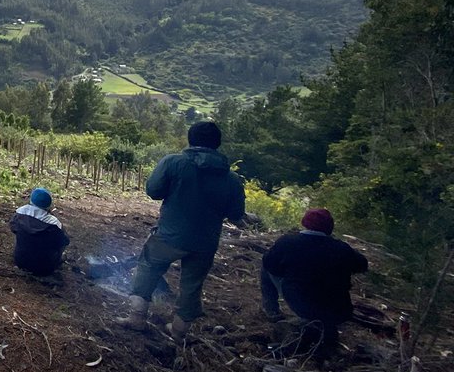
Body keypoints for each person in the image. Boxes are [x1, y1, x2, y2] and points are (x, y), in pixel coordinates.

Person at [120, 121, 245, 340]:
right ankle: (178, 331)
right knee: (192, 285)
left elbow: (153, 190)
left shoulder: (174, 163)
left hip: (169, 235)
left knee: (148, 267)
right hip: (205, 243)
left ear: (190, 139)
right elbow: (236, 213)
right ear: (217, 143)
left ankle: (137, 318)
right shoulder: (232, 179)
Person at [262, 207, 368, 358]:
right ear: (329, 227)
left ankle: (271, 310)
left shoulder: (288, 242)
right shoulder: (341, 248)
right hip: (339, 311)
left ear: (305, 222)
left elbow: (270, 264)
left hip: (301, 305)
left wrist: (291, 272)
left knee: (265, 266)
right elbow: (362, 265)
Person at [10, 187, 70, 278]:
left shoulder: (19, 213)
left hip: (20, 261)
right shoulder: (54, 224)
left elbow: (13, 228)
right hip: (45, 268)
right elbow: (65, 241)